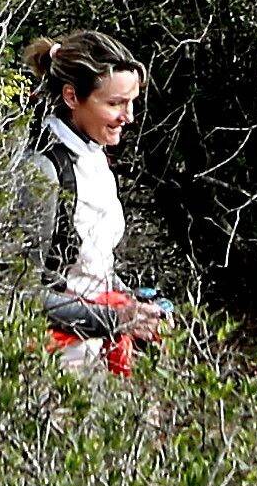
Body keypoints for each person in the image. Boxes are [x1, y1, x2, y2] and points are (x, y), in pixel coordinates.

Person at [10, 31, 172, 370]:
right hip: (49, 364)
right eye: (114, 104)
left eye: (131, 103)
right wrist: (114, 319)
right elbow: (21, 294)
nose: (127, 117)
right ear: (72, 97)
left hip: (94, 353)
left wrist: (135, 306)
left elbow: (95, 267)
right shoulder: (42, 171)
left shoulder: (95, 157)